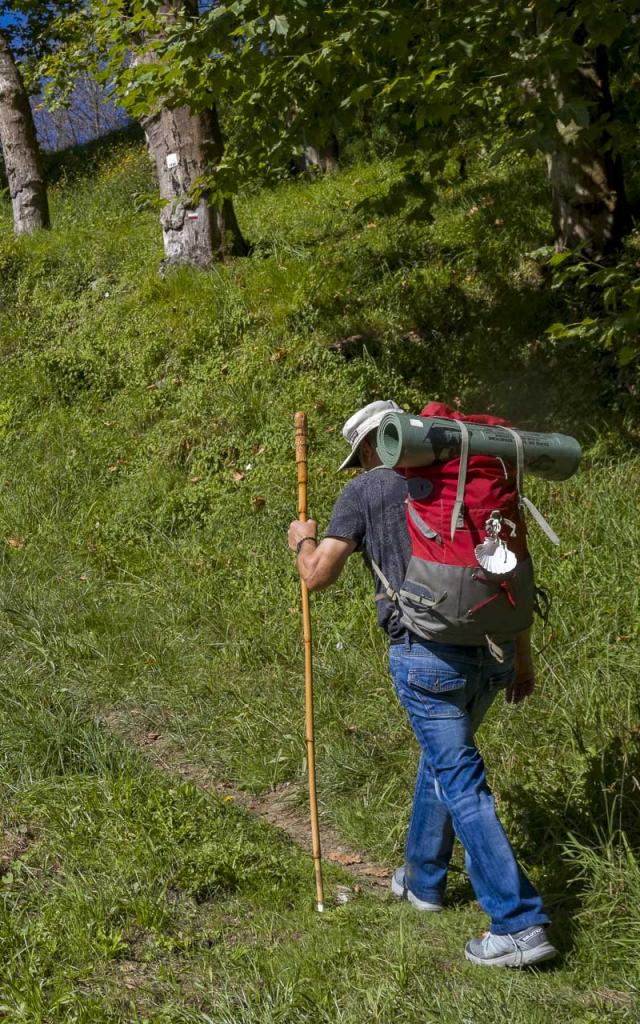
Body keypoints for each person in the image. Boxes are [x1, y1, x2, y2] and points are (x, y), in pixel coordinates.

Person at [288, 399, 557, 967]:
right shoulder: (466, 472)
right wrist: (523, 657)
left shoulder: (365, 491)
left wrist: (301, 541)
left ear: (370, 447)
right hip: (496, 651)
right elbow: (509, 568)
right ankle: (424, 882)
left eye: (359, 457)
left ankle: (518, 923)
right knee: (442, 761)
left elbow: (317, 577)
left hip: (426, 655)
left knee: (460, 779)